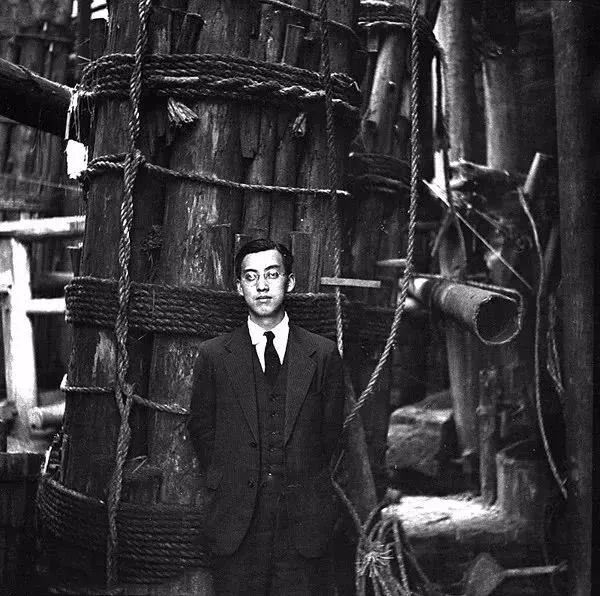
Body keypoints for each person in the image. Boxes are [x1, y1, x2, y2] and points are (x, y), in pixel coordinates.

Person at [189, 238, 345, 596]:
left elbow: (331, 435)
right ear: (238, 286)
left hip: (302, 523)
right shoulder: (215, 355)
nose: (262, 286)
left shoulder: (322, 354)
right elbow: (202, 429)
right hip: (236, 523)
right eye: (251, 276)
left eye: (272, 275)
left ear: (290, 282)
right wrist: (233, 477)